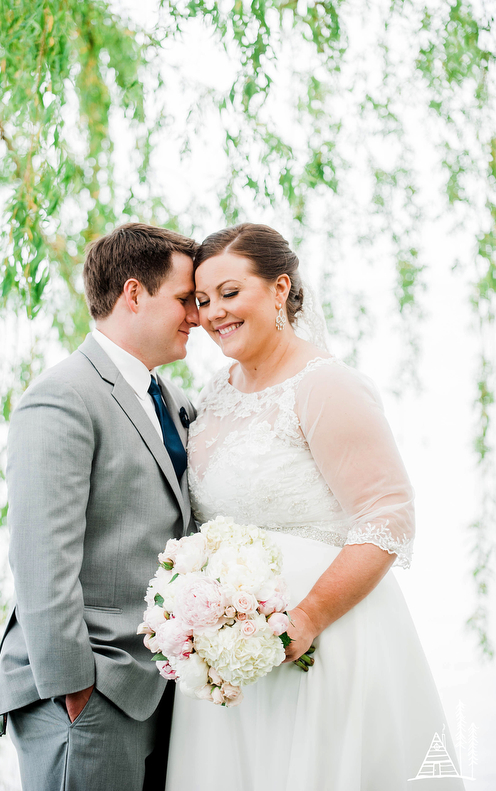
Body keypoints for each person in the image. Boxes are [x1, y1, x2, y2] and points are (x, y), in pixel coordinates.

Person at [167, 223, 462, 790]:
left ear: (280, 289)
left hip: (323, 646)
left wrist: (307, 619)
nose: (213, 314)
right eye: (202, 301)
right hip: (232, 662)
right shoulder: (216, 391)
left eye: (230, 294)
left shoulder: (325, 385)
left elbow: (389, 514)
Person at [0, 222, 199, 791]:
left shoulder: (171, 401)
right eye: (183, 299)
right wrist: (73, 689)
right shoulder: (63, 395)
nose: (197, 317)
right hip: (86, 692)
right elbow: (39, 557)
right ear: (133, 294)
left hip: (159, 690)